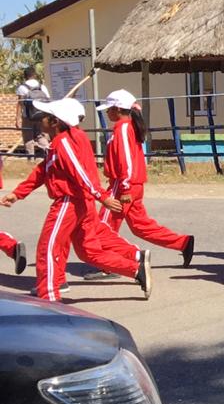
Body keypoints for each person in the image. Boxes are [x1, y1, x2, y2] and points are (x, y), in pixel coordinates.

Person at [2, 98, 151, 302]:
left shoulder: (64, 142)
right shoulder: (65, 140)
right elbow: (43, 171)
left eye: (44, 118)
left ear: (55, 122)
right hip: (81, 202)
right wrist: (18, 193)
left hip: (70, 202)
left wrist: (101, 196)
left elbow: (81, 173)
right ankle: (135, 269)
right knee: (87, 251)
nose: (39, 121)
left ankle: (49, 296)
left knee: (48, 247)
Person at [95, 90, 194, 269]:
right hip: (132, 184)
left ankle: (111, 263)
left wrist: (124, 188)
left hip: (124, 184)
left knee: (102, 227)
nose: (107, 113)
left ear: (117, 109)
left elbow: (126, 160)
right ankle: (182, 243)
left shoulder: (123, 128)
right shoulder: (127, 126)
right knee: (141, 226)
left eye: (109, 109)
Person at [15, 67, 50, 160]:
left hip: (27, 117)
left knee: (28, 139)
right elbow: (48, 100)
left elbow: (20, 103)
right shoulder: (42, 86)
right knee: (40, 136)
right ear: (34, 75)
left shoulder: (22, 87)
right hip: (41, 116)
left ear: (25, 76)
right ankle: (47, 155)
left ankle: (30, 160)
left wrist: (17, 119)